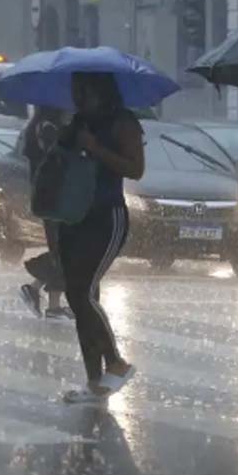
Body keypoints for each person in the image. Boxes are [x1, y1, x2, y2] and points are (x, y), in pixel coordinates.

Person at [56, 72, 145, 403]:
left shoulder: (123, 123)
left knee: (81, 293)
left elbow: (136, 169)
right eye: (76, 89)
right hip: (74, 216)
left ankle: (116, 362)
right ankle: (94, 380)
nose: (79, 96)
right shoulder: (79, 122)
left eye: (85, 89)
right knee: (80, 297)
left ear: (102, 89)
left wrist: (94, 148)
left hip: (107, 217)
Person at [18, 106, 72, 319]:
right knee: (64, 252)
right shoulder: (48, 130)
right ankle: (34, 289)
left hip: (48, 199)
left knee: (61, 251)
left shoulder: (37, 128)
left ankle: (52, 303)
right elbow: (57, 161)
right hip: (55, 200)